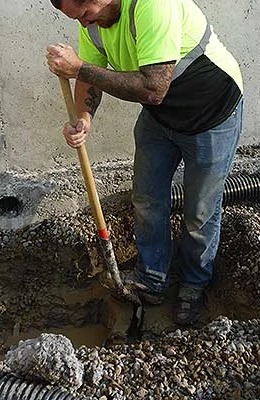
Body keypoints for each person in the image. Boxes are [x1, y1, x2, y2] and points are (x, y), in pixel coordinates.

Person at [46, 0, 244, 325]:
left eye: (84, 12)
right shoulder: (93, 23)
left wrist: (77, 67)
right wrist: (84, 118)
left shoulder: (153, 5)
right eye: (75, 18)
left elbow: (153, 89)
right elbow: (91, 76)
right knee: (147, 199)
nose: (82, 22)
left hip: (212, 114)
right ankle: (153, 276)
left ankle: (194, 284)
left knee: (201, 210)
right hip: (161, 117)